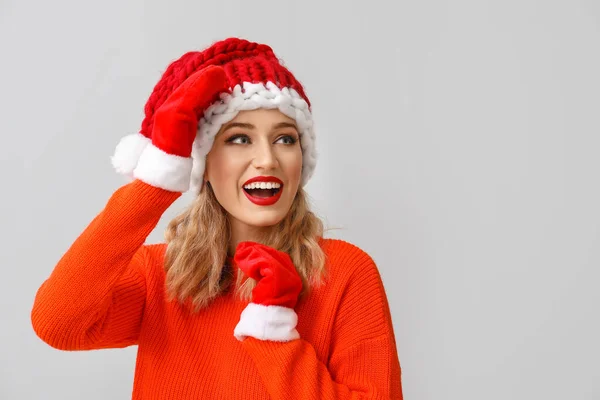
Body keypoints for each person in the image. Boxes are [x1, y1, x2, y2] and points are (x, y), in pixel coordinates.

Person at [31, 37, 403, 399]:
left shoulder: (344, 272)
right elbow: (59, 324)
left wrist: (273, 335)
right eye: (239, 139)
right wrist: (154, 185)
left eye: (285, 139)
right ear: (202, 163)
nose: (268, 159)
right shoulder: (161, 274)